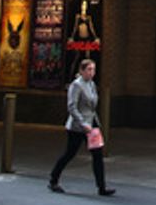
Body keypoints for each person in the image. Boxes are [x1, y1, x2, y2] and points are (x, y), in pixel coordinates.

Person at [48, 59, 115, 197]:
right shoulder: (76, 85)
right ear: (81, 71)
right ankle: (53, 179)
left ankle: (101, 187)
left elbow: (92, 105)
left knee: (97, 154)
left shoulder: (91, 84)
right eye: (89, 69)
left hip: (92, 124)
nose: (92, 73)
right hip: (78, 126)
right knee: (70, 153)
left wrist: (93, 123)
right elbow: (72, 107)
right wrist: (82, 123)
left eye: (93, 69)